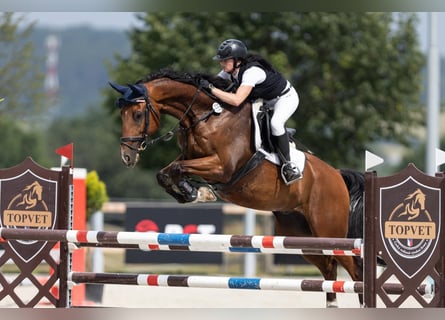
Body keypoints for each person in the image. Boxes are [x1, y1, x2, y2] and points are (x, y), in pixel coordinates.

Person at [200, 39, 301, 185]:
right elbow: (214, 82)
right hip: (265, 101)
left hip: (285, 98)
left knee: (276, 123)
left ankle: (289, 165)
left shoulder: (252, 72)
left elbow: (236, 100)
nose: (221, 64)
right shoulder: (230, 70)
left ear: (237, 60)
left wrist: (212, 89)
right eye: (221, 61)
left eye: (225, 60)